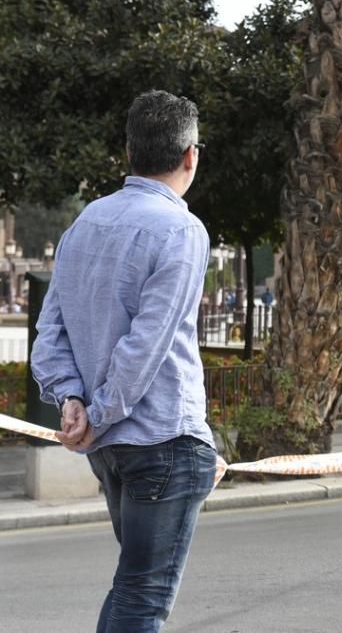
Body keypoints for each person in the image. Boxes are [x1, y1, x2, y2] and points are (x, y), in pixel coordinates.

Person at [30, 90, 216, 631]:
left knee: (134, 586)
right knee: (143, 597)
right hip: (162, 438)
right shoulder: (181, 228)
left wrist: (73, 401)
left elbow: (50, 329)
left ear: (129, 151)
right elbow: (148, 343)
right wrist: (100, 410)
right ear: (190, 156)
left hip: (110, 446)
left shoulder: (85, 221)